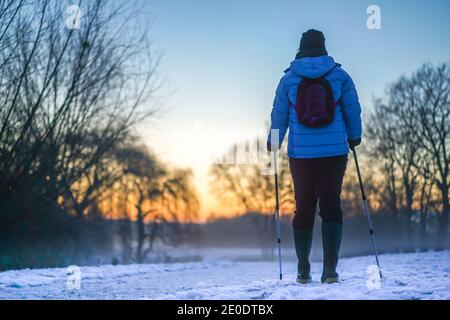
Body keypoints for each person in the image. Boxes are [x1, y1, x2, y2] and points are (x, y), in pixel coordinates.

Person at [267, 29, 362, 284]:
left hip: (302, 155)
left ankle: (302, 269)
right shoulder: (340, 76)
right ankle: (330, 271)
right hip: (335, 152)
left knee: (304, 208)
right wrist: (355, 136)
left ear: (300, 48)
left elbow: (279, 114)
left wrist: (273, 142)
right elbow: (353, 110)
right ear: (323, 47)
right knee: (331, 206)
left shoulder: (288, 79)